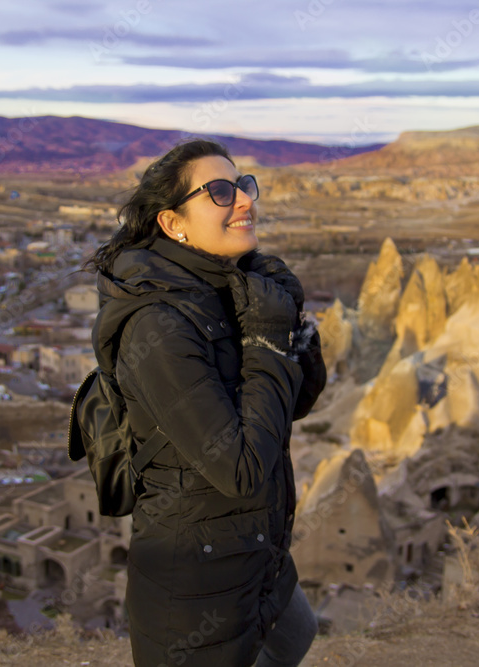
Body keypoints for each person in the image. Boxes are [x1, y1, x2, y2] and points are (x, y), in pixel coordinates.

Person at [85, 139, 326, 667]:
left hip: (257, 556)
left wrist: (293, 327)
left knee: (296, 635)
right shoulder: (158, 326)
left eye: (243, 185)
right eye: (219, 191)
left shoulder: (223, 289)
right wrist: (265, 338)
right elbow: (240, 468)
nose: (244, 200)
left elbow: (297, 404)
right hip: (196, 586)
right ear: (174, 225)